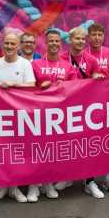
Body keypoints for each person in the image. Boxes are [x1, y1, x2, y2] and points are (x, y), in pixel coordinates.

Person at [59, 26, 109, 196]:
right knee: (72, 142)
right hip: (71, 107)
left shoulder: (97, 57)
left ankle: (100, 179)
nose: (81, 41)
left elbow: (105, 75)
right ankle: (70, 176)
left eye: (82, 38)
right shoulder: (63, 57)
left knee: (99, 142)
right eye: (77, 38)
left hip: (95, 106)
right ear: (70, 40)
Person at [30, 29, 75, 200]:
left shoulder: (68, 66)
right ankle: (34, 186)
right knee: (38, 150)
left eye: (57, 41)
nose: (54, 44)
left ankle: (48, 184)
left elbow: (77, 89)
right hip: (39, 114)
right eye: (51, 41)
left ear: (60, 43)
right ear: (46, 43)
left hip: (60, 115)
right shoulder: (36, 64)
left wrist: (65, 86)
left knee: (53, 151)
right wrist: (40, 86)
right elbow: (28, 88)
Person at [0, 32, 36, 203]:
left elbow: (31, 85)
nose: (9, 47)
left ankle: (15, 187)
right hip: (0, 115)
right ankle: (4, 185)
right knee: (3, 151)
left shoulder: (25, 64)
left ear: (18, 46)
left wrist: (13, 85)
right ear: (3, 45)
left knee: (18, 151)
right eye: (7, 43)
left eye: (13, 44)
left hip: (20, 114)